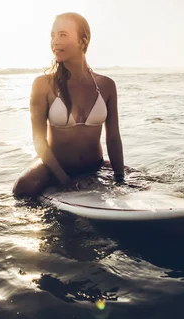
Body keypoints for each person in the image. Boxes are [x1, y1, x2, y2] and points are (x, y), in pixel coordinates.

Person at [12, 12, 124, 197]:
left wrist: (119, 179)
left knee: (152, 181)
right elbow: (39, 141)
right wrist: (63, 180)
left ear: (82, 40)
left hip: (95, 166)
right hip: (57, 168)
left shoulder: (106, 85)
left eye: (62, 35)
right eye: (52, 35)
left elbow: (113, 138)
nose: (55, 41)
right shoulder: (43, 84)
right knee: (21, 188)